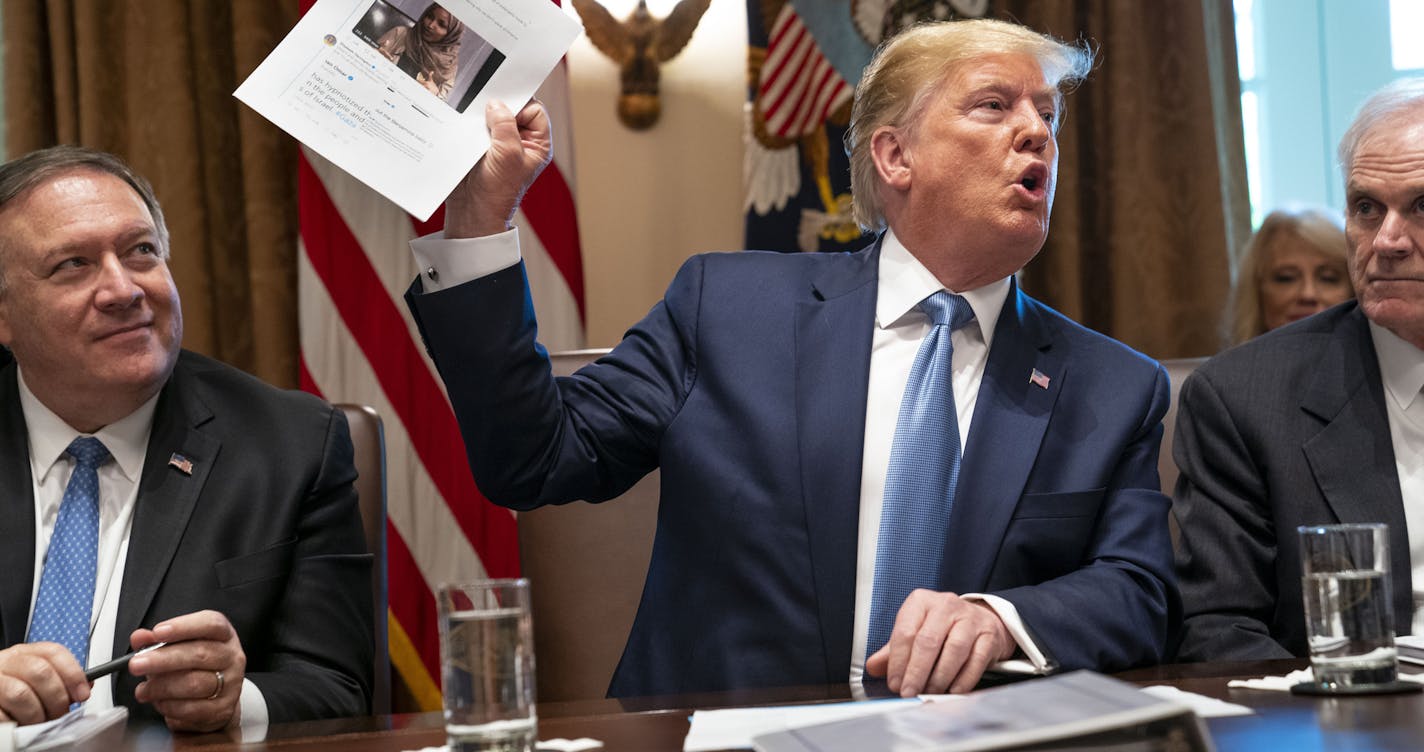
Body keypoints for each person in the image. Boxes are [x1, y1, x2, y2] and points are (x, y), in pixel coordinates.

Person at [406, 19, 1178, 698]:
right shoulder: (728, 309)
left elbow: (1140, 590)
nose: (1038, 131)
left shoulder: (1112, 386)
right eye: (994, 105)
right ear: (894, 155)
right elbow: (533, 458)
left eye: (1049, 113)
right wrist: (480, 220)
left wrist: (1004, 617)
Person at [0, 147, 373, 730]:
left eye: (140, 251)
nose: (123, 290)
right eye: (73, 264)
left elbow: (339, 689)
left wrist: (236, 699)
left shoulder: (291, 445)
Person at [1173, 77, 1424, 661]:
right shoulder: (1245, 400)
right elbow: (1219, 629)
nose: (1386, 241)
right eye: (1366, 207)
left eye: (1421, 207)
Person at [1224, 207, 1352, 347]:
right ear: (1256, 291)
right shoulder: (1226, 368)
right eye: (1287, 278)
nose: (1308, 294)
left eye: (1328, 278)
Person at [377, 3, 463, 101]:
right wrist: (373, 57)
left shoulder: (449, 64)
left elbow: (439, 105)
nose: (430, 25)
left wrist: (435, 95)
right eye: (430, 17)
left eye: (441, 24)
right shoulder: (400, 33)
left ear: (451, 34)